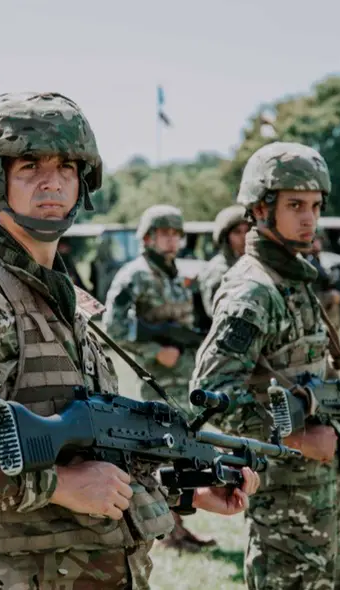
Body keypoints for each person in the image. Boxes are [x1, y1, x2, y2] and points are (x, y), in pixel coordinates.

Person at [0, 92, 258, 589]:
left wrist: (185, 490)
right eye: (30, 165)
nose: (52, 180)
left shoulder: (72, 302)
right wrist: (55, 487)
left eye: (66, 166)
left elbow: (100, 457)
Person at [191, 142, 340, 590]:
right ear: (261, 210)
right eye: (295, 205)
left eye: (315, 206)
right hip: (280, 501)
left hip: (318, 497)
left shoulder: (294, 280)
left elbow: (301, 373)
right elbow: (209, 398)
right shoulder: (252, 291)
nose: (309, 218)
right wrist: (296, 437)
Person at [103, 204, 215, 551]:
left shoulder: (179, 274)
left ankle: (177, 527)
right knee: (160, 453)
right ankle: (166, 532)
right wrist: (154, 353)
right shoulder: (134, 275)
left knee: (184, 451)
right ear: (148, 237)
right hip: (157, 381)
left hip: (187, 379)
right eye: (164, 233)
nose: (171, 240)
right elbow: (113, 328)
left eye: (175, 234)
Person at [197, 205, 249, 320]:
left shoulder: (253, 265)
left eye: (248, 231)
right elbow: (216, 313)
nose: (244, 237)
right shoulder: (218, 270)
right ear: (226, 237)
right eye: (237, 232)